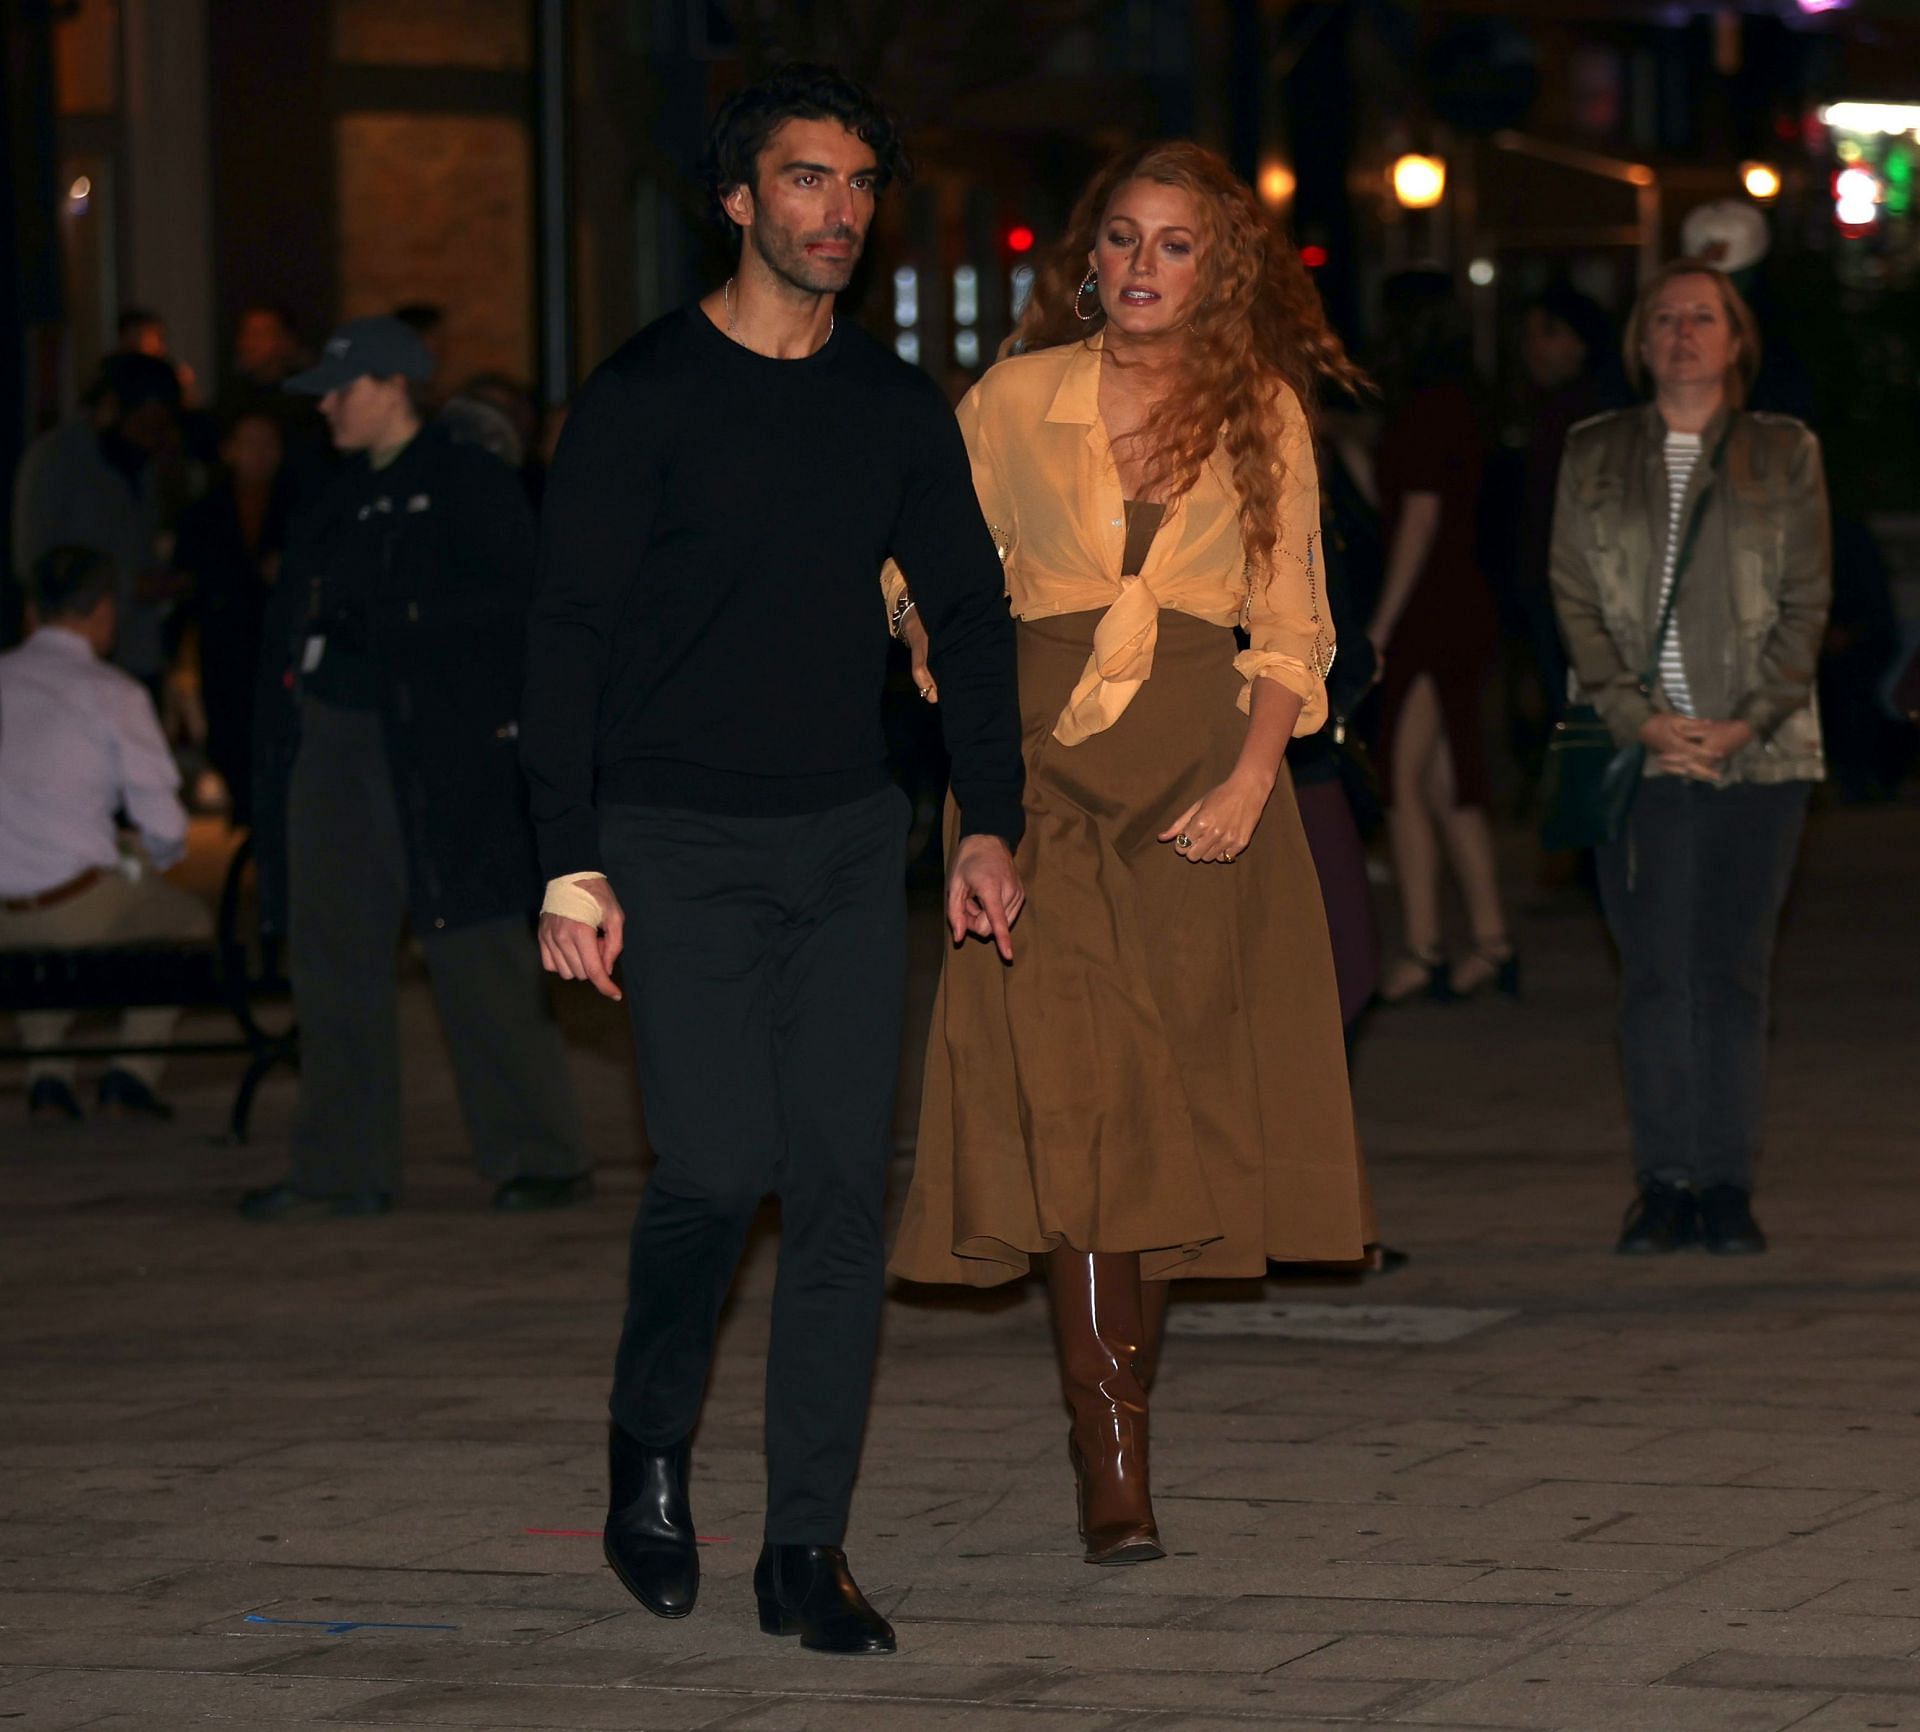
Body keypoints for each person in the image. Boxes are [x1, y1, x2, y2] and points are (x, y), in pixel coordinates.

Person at [521, 66, 1024, 1654]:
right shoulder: (646, 397)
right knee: (717, 1167)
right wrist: (566, 862)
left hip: (841, 833)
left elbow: (971, 617)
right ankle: (648, 1441)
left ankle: (806, 1548)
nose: (842, 214)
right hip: (672, 834)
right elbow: (566, 636)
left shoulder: (890, 408)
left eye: (863, 185)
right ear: (739, 200)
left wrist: (986, 816)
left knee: (839, 1194)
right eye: (810, 182)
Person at [887, 140, 1374, 1566]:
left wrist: (1248, 775)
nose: (1142, 267)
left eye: (1174, 245)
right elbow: (926, 576)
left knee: (1169, 1102)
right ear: (1085, 259)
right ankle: (1115, 1455)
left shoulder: (1262, 412)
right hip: (1032, 773)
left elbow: (1291, 617)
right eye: (1121, 240)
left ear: (1218, 267)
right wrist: (959, 707)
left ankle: (1118, 1415)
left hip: (1202, 776)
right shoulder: (1011, 398)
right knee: (1078, 1092)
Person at [240, 316, 590, 1222]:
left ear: (394, 386)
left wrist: (396, 623)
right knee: (333, 954)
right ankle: (341, 1168)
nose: (324, 405)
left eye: (341, 388)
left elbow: (514, 610)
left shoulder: (469, 483)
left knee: (473, 946)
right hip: (338, 741)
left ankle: (539, 1152)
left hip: (442, 752)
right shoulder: (331, 494)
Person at [1549, 259, 1829, 1257]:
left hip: (1761, 755)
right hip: (1637, 754)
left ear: (1736, 338)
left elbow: (1805, 605)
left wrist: (1748, 718)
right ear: (1639, 338)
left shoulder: (1783, 452)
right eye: (1663, 316)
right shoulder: (1593, 451)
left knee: (1734, 972)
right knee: (1656, 974)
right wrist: (1640, 717)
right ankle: (1664, 1180)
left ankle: (1728, 1183)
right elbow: (1573, 598)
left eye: (1702, 316)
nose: (1682, 332)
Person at [0, 548, 211, 1122]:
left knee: (39, 888)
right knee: (187, 921)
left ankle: (49, 1073)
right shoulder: (113, 692)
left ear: (30, 613)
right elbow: (165, 827)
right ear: (103, 613)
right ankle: (130, 1071)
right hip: (76, 907)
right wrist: (150, 856)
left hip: (4, 914)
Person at [1364, 270, 1516, 1003]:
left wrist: (1381, 627)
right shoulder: (1461, 403)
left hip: (1431, 610)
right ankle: (1491, 941)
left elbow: (1417, 520)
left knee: (1402, 779)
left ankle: (1425, 947)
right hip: (1463, 599)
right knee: (1445, 782)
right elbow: (1412, 504)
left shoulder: (1425, 408)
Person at [12, 353, 181, 697]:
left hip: (137, 650)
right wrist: (127, 584)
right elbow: (32, 561)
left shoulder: (140, 468)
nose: (150, 439)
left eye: (159, 429)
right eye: (144, 426)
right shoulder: (56, 459)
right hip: (71, 655)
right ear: (112, 409)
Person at [172, 409, 289, 825]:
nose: (260, 455)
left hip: (279, 646)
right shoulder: (205, 513)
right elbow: (190, 577)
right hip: (226, 643)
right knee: (229, 733)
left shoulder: (300, 507)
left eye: (268, 444)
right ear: (230, 451)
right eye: (250, 444)